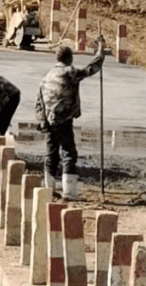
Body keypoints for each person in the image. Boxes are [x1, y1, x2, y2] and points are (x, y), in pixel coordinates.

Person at [35, 38, 106, 199]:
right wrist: (100, 53)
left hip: (48, 120)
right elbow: (91, 69)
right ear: (69, 58)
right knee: (69, 153)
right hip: (63, 119)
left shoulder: (46, 76)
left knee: (51, 155)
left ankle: (48, 190)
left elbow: (38, 102)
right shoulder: (69, 72)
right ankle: (69, 191)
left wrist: (42, 121)